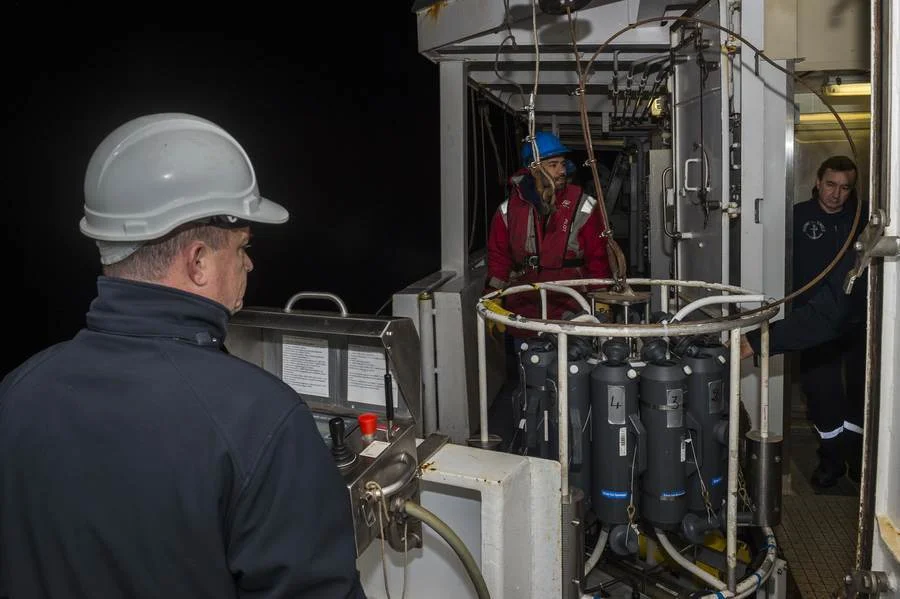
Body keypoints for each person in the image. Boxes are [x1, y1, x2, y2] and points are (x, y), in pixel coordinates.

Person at [0, 113, 366, 598]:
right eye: (242, 246)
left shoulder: (19, 391)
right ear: (197, 261)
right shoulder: (262, 421)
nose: (249, 262)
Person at [741, 155, 866, 490]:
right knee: (822, 395)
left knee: (860, 396)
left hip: (857, 326)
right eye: (830, 184)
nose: (836, 194)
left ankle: (855, 459)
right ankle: (831, 461)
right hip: (812, 324)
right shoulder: (797, 217)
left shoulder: (862, 221)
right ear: (817, 181)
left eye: (844, 187)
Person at [485, 131, 611, 335]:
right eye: (553, 165)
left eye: (562, 163)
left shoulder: (583, 205)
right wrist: (493, 297)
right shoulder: (507, 211)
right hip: (524, 306)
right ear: (533, 169)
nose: (562, 170)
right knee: (527, 360)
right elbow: (499, 257)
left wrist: (602, 300)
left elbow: (597, 257)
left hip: (571, 305)